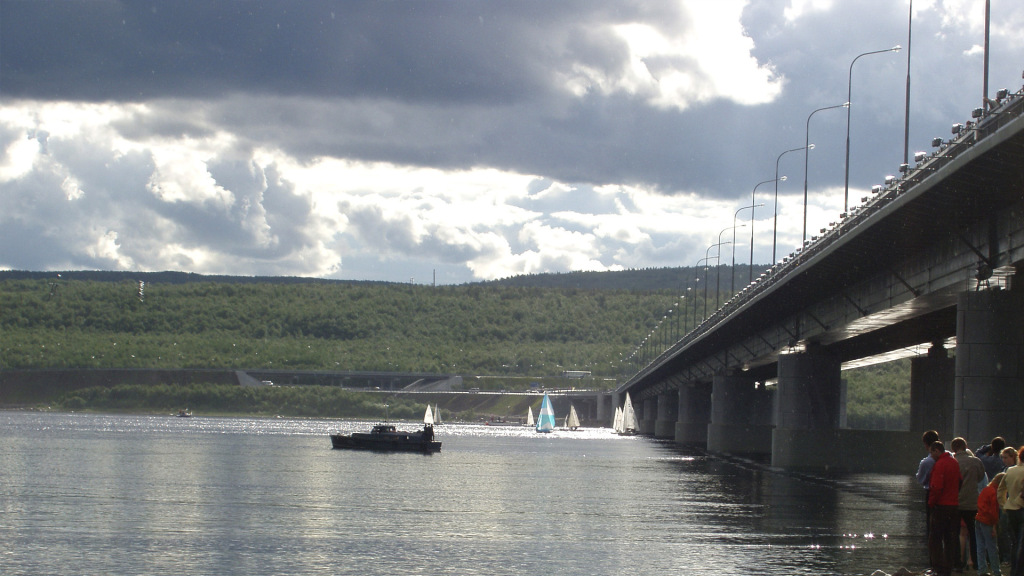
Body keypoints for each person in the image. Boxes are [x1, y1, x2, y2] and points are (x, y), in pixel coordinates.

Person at [930, 440, 963, 576]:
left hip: (942, 506)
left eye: (932, 453)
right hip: (954, 506)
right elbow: (960, 480)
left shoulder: (940, 464)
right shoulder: (954, 462)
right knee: (950, 538)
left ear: (937, 451)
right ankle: (948, 568)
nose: (931, 456)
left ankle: (937, 567)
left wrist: (932, 503)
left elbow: (936, 487)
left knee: (935, 538)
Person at [954, 437, 987, 571]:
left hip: (956, 503)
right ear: (965, 446)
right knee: (974, 534)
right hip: (972, 502)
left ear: (953, 448)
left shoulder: (953, 462)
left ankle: (957, 564)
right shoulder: (976, 461)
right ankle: (976, 562)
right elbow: (980, 477)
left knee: (955, 533)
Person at [999, 447, 1024, 576]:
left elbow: (1000, 489)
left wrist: (1004, 504)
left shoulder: (1010, 470)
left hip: (1010, 509)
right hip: (1021, 509)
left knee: (1014, 542)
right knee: (1021, 542)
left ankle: (1013, 570)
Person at [979, 472, 1006, 576]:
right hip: (988, 520)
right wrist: (994, 526)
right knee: (992, 547)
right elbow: (993, 511)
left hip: (979, 518)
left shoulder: (986, 489)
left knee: (981, 545)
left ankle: (982, 570)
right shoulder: (995, 492)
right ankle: (996, 571)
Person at [919, 430, 942, 534]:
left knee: (931, 521)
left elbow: (921, 479)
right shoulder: (950, 457)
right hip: (948, 493)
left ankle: (931, 544)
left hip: (931, 492)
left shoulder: (926, 462)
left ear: (926, 444)